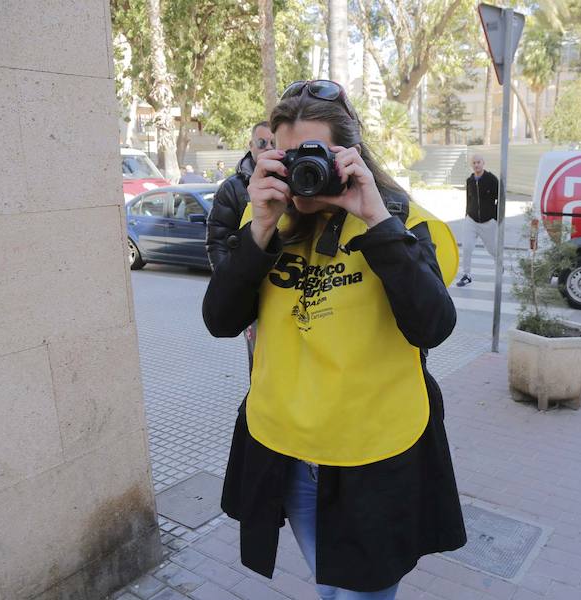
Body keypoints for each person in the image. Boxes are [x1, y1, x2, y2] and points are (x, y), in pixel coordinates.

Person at [202, 80, 466, 600]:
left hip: (377, 457)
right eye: (286, 156)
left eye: (315, 154)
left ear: (352, 154)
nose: (304, 171)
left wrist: (374, 216)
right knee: (332, 591)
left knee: (364, 595)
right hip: (289, 451)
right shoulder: (271, 229)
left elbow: (433, 325)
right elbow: (220, 320)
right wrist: (257, 230)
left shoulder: (404, 224)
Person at [205, 121, 273, 269]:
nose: (268, 147)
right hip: (247, 276)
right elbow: (218, 241)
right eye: (262, 142)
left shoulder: (296, 181)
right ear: (251, 145)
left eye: (274, 142)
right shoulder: (232, 188)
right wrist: (227, 281)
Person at [456, 154, 499, 287]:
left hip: (488, 222)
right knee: (467, 247)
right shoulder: (469, 180)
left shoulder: (492, 179)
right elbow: (468, 199)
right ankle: (466, 275)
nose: (476, 165)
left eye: (478, 162)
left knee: (492, 250)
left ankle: (500, 266)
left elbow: (500, 199)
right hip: (471, 220)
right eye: (474, 163)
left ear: (483, 163)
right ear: (471, 165)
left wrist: (495, 217)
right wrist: (466, 214)